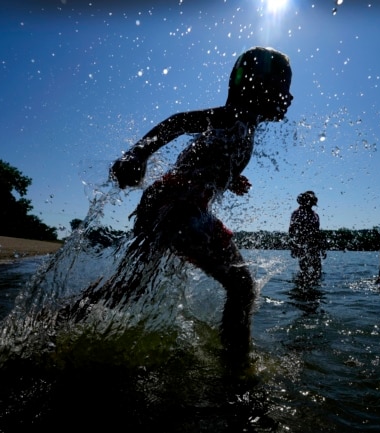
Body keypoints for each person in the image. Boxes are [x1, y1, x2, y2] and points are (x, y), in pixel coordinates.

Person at [66, 47, 293, 364]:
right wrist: (137, 155)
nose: (289, 97)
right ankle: (237, 371)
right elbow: (179, 122)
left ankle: (62, 320)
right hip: (178, 204)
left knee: (131, 285)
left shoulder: (244, 124)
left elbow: (201, 161)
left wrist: (229, 179)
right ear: (256, 85)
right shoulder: (235, 115)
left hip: (168, 202)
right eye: (284, 86)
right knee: (242, 288)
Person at [288, 191, 326, 281]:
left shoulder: (315, 215)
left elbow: (318, 232)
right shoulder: (297, 213)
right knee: (304, 271)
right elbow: (291, 230)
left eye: (312, 202)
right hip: (301, 244)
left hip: (315, 245)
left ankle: (314, 287)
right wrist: (293, 246)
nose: (310, 204)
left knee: (317, 270)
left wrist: (323, 248)